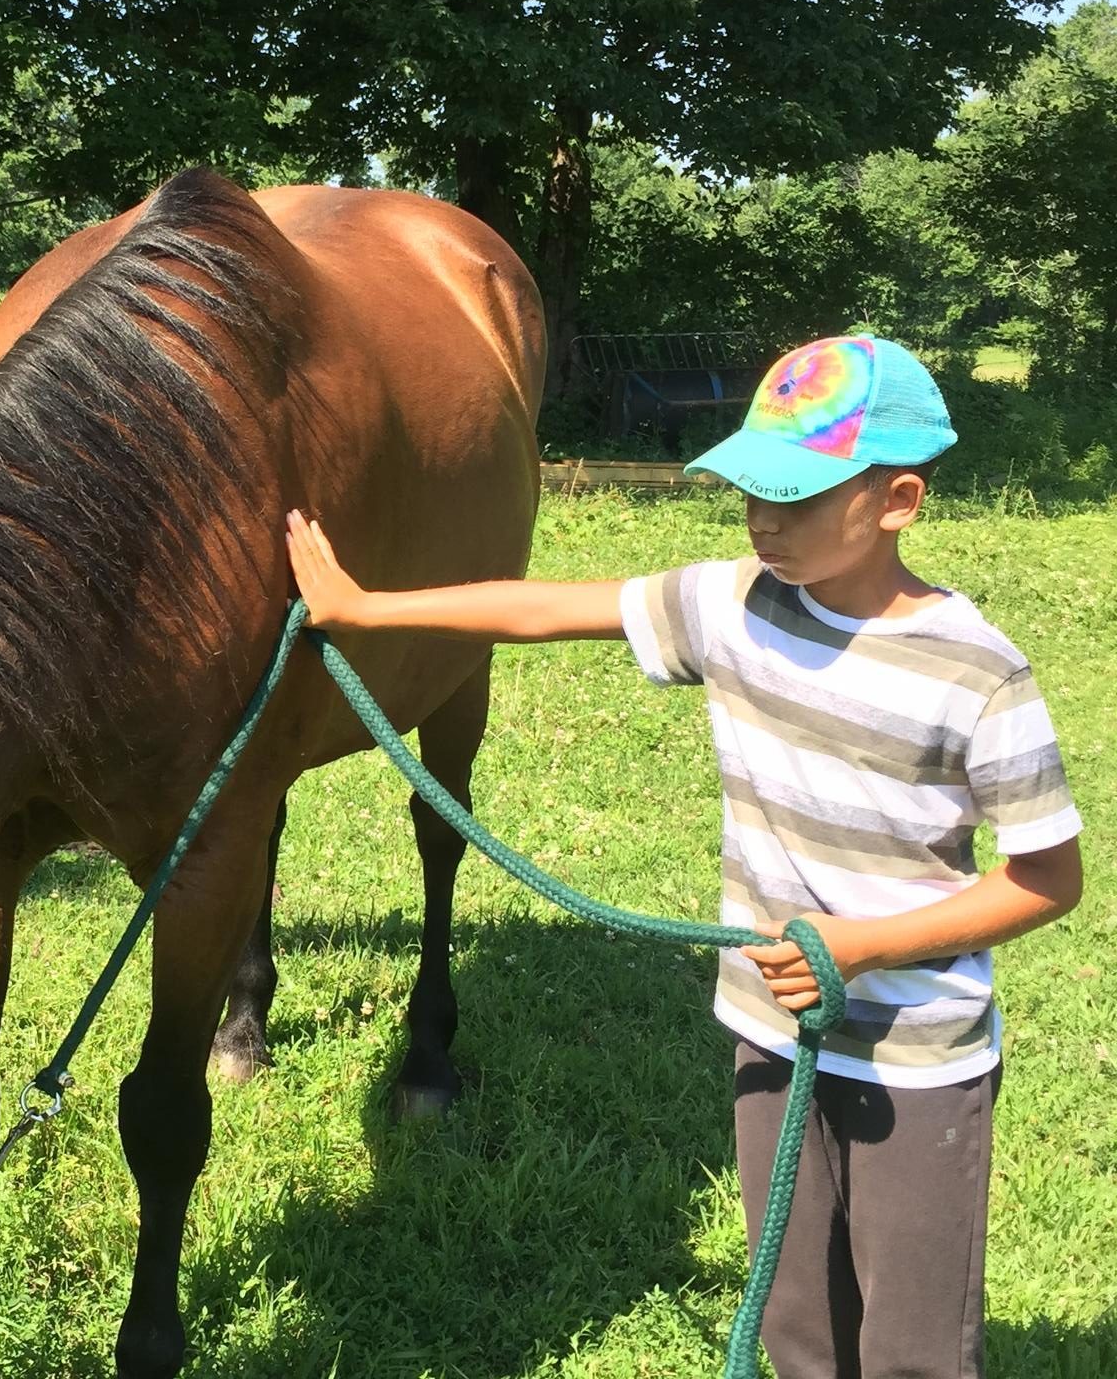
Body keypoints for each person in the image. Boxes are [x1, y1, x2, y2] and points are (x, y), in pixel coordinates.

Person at [285, 334, 1083, 1378]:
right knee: (794, 1326)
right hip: (767, 1028)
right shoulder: (733, 605)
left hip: (917, 1061)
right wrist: (369, 608)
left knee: (911, 1353)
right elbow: (545, 608)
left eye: (798, 496)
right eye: (754, 489)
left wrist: (872, 945)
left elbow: (1045, 881)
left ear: (898, 501)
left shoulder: (978, 675)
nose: (764, 518)